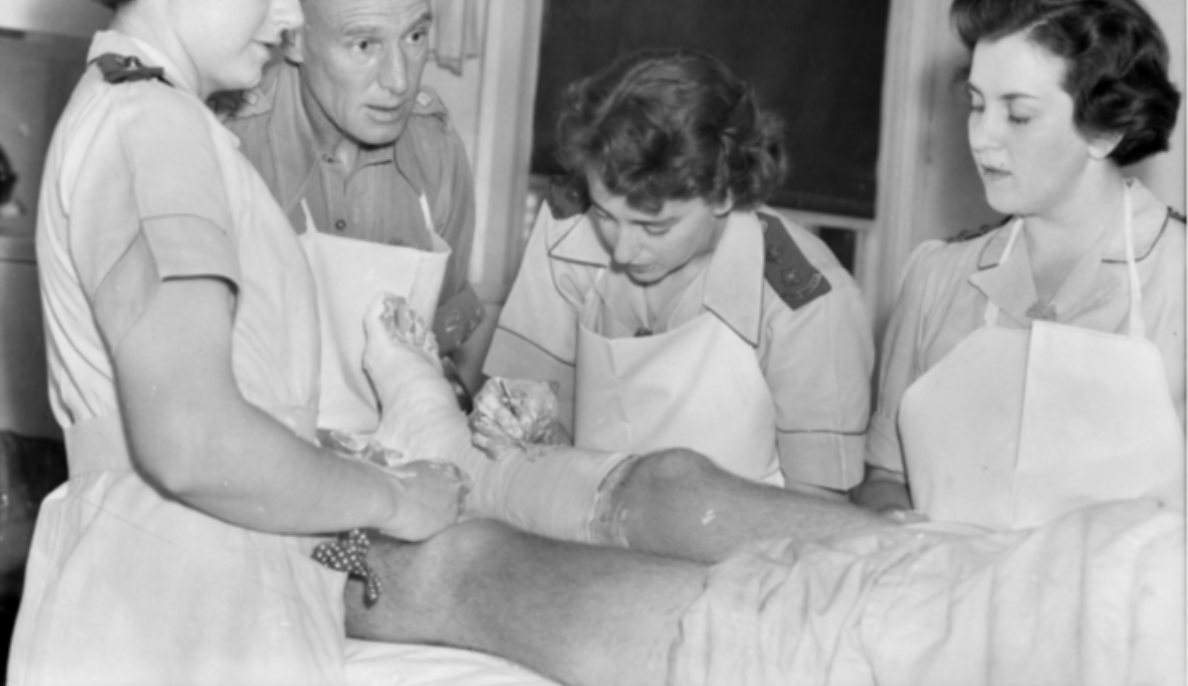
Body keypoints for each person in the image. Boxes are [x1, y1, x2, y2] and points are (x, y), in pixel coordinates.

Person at [8, 0, 469, 686]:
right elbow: (193, 439)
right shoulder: (151, 127)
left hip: (188, 593)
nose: (290, 15)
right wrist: (398, 498)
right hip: (170, 612)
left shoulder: (148, 112)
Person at [342, 289, 1184, 686]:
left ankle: (343, 520)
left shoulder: (805, 295)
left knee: (458, 570)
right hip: (1063, 568)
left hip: (972, 651)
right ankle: (444, 455)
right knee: (674, 485)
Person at [855, 0, 1185, 530]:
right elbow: (885, 478)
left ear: (1103, 130)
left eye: (1018, 115)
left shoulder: (1178, 278)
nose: (981, 137)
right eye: (976, 105)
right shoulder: (935, 276)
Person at [484, 48, 873, 496]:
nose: (623, 250)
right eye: (607, 217)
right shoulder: (570, 226)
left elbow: (817, 509)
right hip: (578, 518)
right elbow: (525, 420)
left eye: (655, 227)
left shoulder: (809, 301)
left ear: (723, 194)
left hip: (739, 536)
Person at [224, 0, 489, 403]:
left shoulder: (436, 151)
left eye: (414, 36)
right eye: (365, 44)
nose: (399, 81)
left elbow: (440, 350)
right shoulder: (229, 147)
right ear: (293, 38)